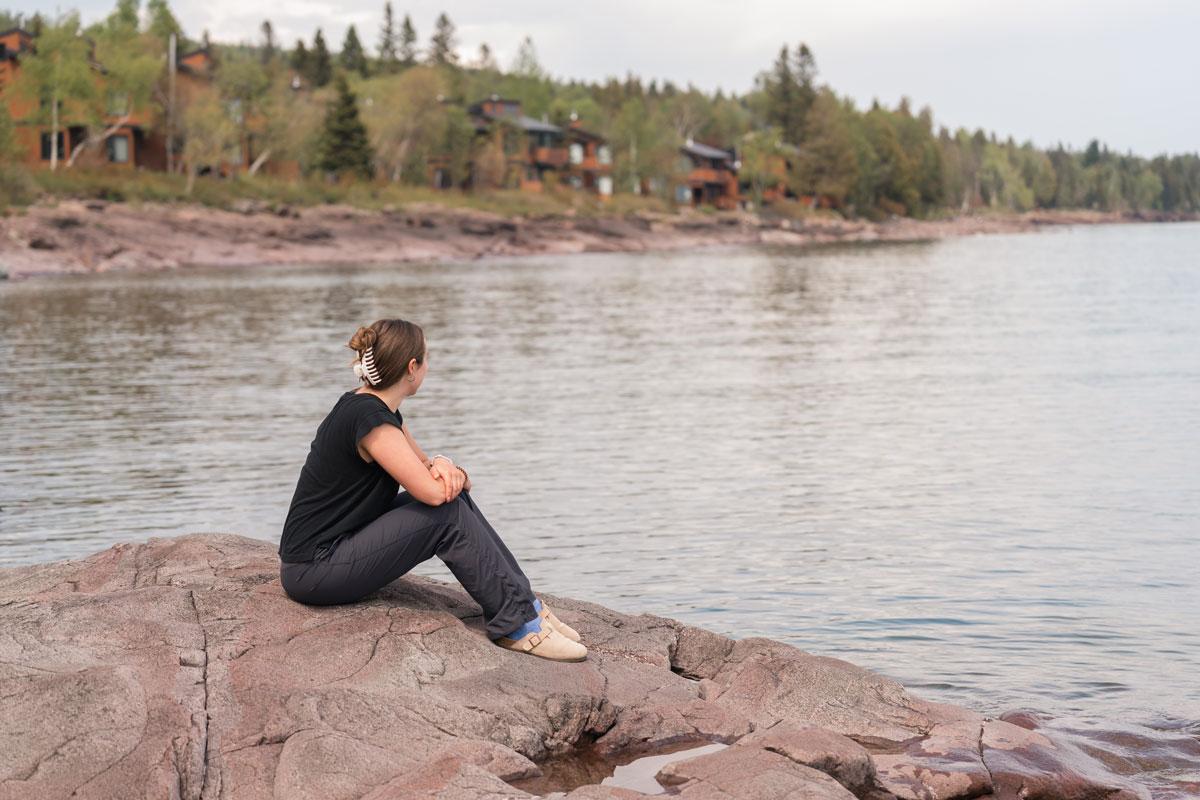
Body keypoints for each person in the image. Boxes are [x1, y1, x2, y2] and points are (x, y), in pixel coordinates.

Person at [278, 318, 586, 662]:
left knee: (457, 501)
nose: (428, 365)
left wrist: (446, 465)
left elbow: (425, 467)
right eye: (426, 358)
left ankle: (524, 605)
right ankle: (516, 627)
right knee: (447, 513)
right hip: (314, 569)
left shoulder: (375, 407)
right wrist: (445, 475)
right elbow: (435, 494)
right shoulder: (370, 420)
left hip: (336, 549)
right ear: (412, 367)